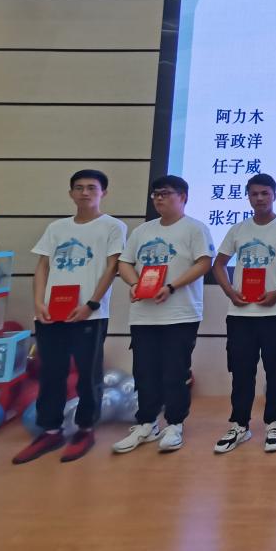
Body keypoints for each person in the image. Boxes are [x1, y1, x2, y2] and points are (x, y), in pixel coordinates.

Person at [12, 170, 126, 464]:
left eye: (91, 188)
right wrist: (39, 302)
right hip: (52, 314)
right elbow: (43, 266)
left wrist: (91, 303)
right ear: (71, 193)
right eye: (79, 188)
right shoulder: (57, 228)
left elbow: (112, 267)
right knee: (51, 372)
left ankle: (86, 429)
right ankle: (50, 430)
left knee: (88, 374)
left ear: (103, 193)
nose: (85, 192)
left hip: (89, 315)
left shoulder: (113, 226)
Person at [113, 175, 214, 454]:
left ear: (183, 197)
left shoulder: (195, 228)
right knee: (144, 371)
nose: (159, 198)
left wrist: (171, 287)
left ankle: (174, 424)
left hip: (180, 314)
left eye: (166, 193)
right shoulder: (142, 231)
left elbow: (204, 263)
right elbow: (124, 263)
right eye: (156, 194)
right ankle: (146, 423)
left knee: (175, 371)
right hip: (143, 315)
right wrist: (134, 284)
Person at [210, 173, 276, 454]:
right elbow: (218, 264)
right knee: (241, 371)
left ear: (274, 195)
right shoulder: (238, 229)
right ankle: (239, 424)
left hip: (275, 312)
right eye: (254, 194)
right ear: (248, 197)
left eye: (265, 193)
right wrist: (230, 292)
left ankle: (274, 423)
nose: (260, 198)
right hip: (240, 314)